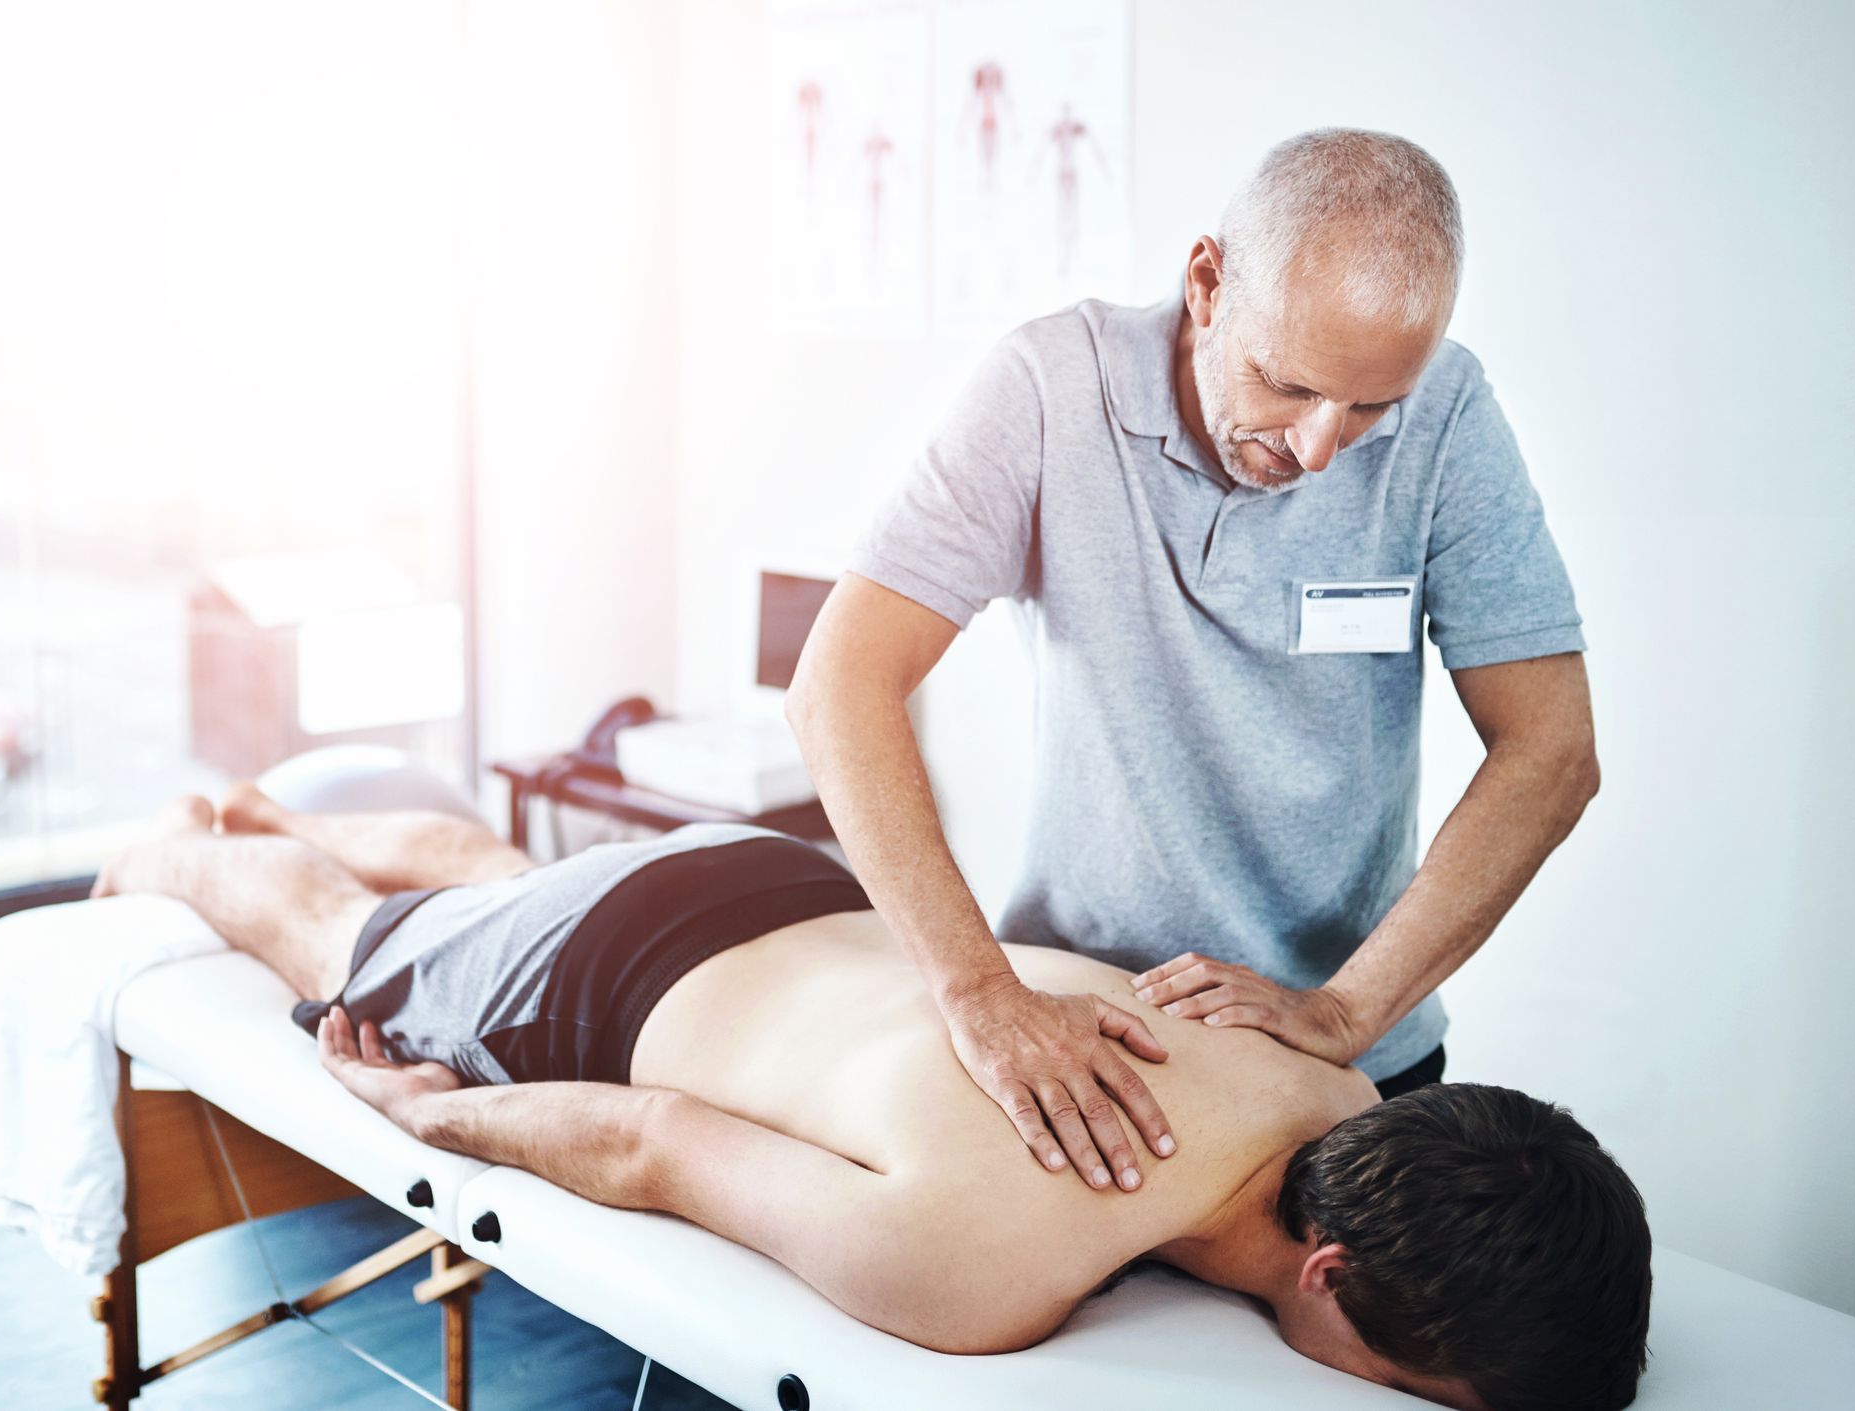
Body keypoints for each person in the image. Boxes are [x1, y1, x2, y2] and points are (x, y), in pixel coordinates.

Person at [93, 790, 1651, 1409]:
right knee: (333, 937)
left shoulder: (1320, 1064)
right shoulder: (981, 1267)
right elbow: (649, 1138)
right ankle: (178, 842)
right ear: (1329, 1279)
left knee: (507, 892)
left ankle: (388, 840)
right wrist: (430, 1124)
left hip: (794, 886)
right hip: (614, 978)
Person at [785, 127, 1600, 1196]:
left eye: (1367, 410)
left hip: (1347, 1061)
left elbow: (1552, 749)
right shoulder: (1049, 386)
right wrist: (980, 994)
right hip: (1092, 1040)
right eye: (1288, 385)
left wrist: (1345, 1010)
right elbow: (839, 685)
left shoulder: (1448, 413)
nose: (1319, 449)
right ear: (1207, 282)